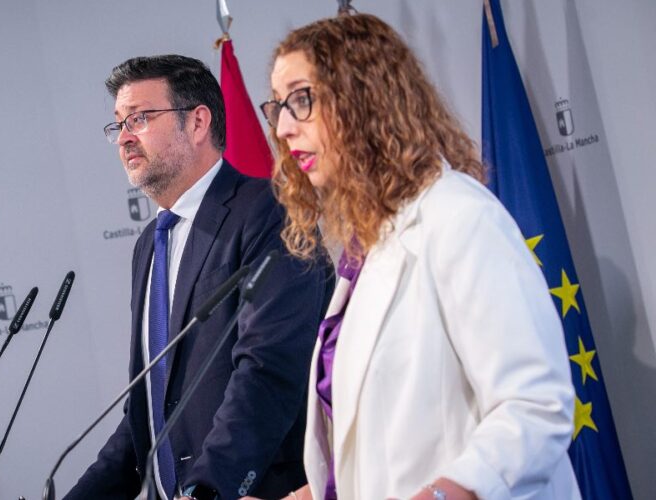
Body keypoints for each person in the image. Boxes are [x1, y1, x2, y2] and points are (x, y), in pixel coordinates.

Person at [251, 13, 580, 500]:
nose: (281, 128)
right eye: (277, 106)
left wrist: (444, 494)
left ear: (363, 97)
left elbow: (536, 407)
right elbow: (375, 460)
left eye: (301, 100)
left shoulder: (458, 218)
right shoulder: (367, 251)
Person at [65, 55, 332, 500]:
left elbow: (269, 368)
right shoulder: (150, 243)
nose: (124, 137)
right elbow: (149, 406)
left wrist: (208, 490)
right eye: (119, 124)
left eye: (141, 118)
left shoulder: (268, 212)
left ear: (198, 122)